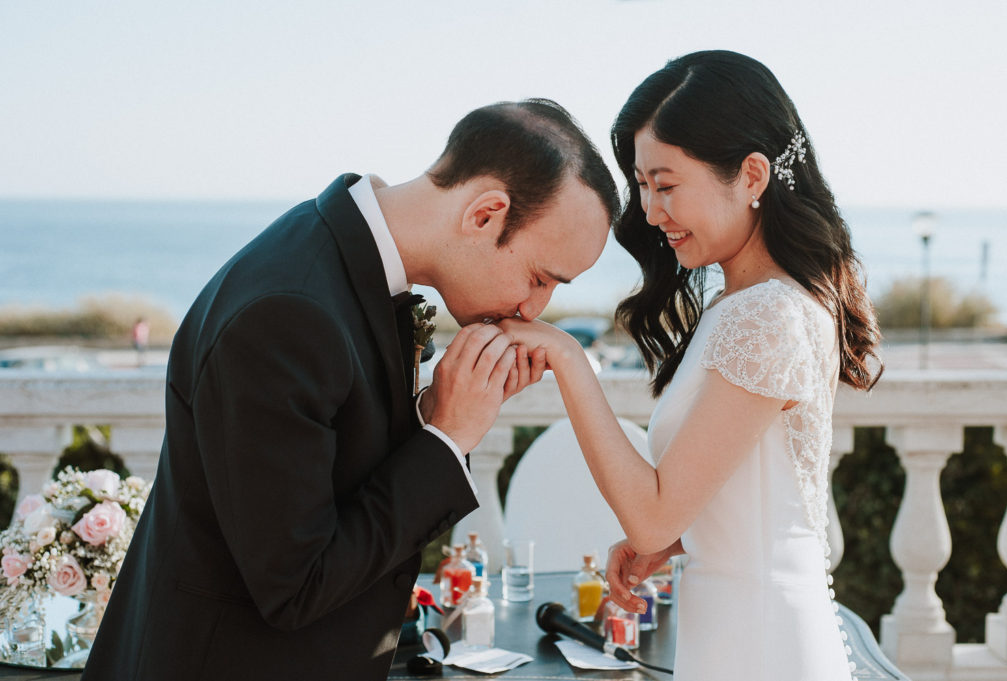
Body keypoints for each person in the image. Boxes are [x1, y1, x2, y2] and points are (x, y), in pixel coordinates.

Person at [81, 99, 618, 681]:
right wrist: (447, 437)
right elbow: (297, 585)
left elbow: (329, 476)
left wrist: (433, 417)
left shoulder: (338, 257)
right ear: (485, 214)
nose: (534, 310)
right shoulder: (287, 313)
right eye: (539, 279)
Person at [500, 51, 882, 680]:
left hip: (762, 645)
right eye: (643, 186)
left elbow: (650, 515)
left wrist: (568, 359)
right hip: (737, 630)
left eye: (667, 185)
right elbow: (757, 491)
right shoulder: (744, 303)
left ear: (752, 175)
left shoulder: (769, 314)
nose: (650, 211)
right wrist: (683, 540)